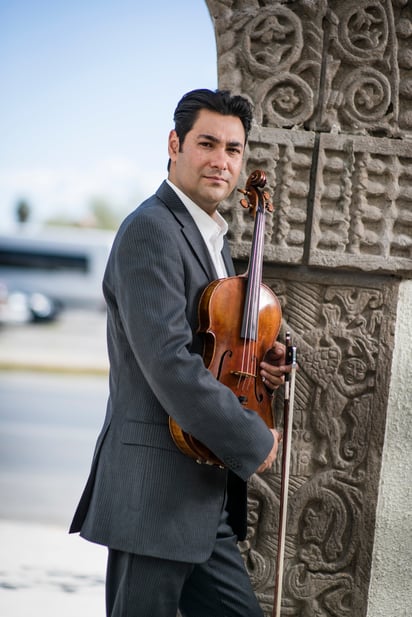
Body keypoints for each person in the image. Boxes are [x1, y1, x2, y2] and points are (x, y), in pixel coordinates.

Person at [70, 88, 289, 617]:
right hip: (154, 494)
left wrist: (260, 359)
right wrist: (251, 437)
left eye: (233, 149)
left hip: (202, 496)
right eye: (207, 143)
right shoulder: (151, 229)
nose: (221, 160)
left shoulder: (214, 238)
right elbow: (169, 363)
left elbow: (213, 344)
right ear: (175, 144)